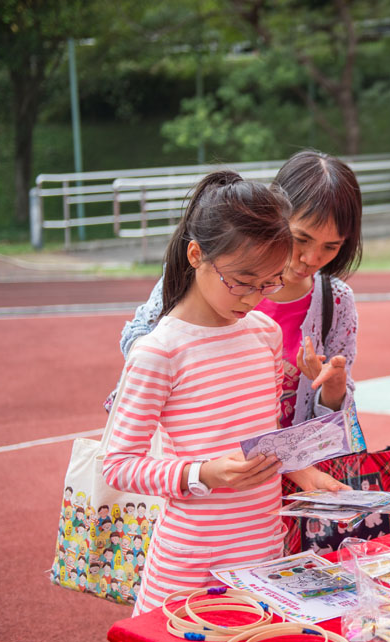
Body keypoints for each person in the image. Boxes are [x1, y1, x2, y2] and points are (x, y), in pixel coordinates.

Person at [117, 150, 364, 554]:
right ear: (275, 218)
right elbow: (145, 347)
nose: (310, 259)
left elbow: (334, 419)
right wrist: (213, 364)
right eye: (301, 239)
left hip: (278, 477)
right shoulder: (215, 277)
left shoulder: (331, 301)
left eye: (331, 247)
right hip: (200, 480)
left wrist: (330, 388)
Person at [103, 170, 319, 615]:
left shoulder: (264, 333)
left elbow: (262, 432)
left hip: (262, 552)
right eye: (242, 280)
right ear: (197, 254)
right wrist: (202, 473)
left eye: (269, 283)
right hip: (189, 566)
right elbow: (118, 465)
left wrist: (301, 472)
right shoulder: (159, 352)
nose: (254, 297)